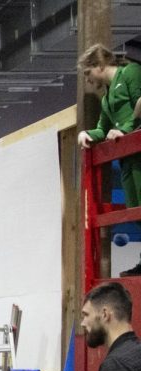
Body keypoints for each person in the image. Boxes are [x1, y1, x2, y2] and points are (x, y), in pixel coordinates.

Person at [77, 44, 141, 277]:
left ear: (100, 65)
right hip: (127, 158)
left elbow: (140, 105)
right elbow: (103, 128)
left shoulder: (131, 73)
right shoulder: (106, 99)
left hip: (138, 151)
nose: (88, 79)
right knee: (135, 209)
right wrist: (87, 134)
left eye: (88, 72)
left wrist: (124, 129)